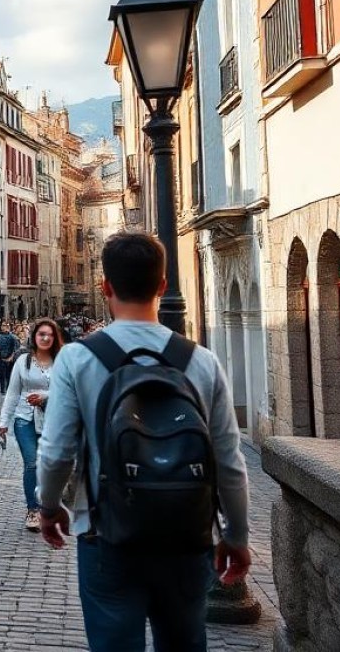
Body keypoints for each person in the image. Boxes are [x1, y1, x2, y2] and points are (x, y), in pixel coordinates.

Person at [37, 232, 251, 652]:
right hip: (187, 535)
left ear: (106, 288)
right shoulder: (201, 361)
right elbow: (228, 460)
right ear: (163, 285)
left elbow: (57, 450)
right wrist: (235, 534)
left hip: (106, 532)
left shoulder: (78, 358)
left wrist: (49, 507)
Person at [0, 317, 61, 531]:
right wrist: (3, 422)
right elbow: (13, 393)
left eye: (49, 335)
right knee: (31, 462)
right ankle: (33, 510)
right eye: (41, 334)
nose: (45, 338)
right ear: (34, 337)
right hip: (24, 418)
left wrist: (45, 396)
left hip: (53, 420)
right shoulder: (22, 361)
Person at [0, 321, 19, 395]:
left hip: (10, 359)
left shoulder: (12, 337)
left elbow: (15, 348)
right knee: (1, 375)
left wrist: (11, 357)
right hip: (1, 358)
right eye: (3, 325)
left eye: (7, 325)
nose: (5, 327)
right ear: (1, 326)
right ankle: (2, 390)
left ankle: (8, 389)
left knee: (9, 375)